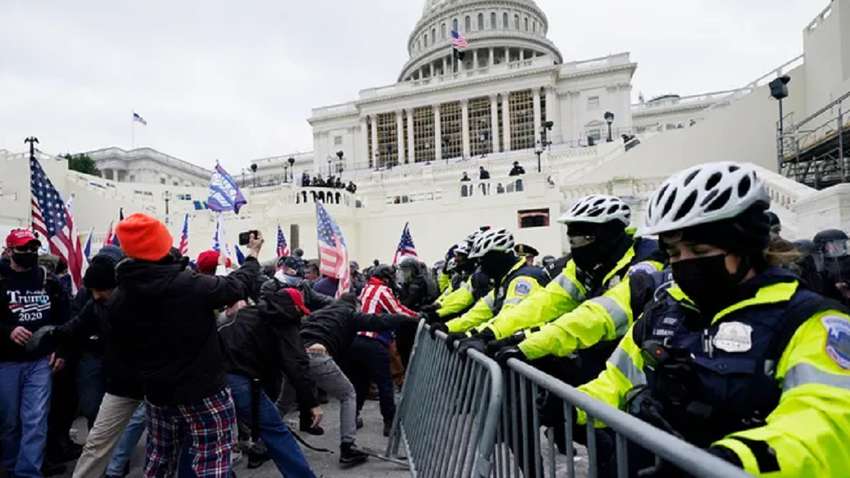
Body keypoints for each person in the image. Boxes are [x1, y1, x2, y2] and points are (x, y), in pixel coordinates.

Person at [575, 162, 850, 476]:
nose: (685, 263)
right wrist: (572, 407)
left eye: (700, 251)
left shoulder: (808, 321)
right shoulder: (665, 310)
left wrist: (731, 460)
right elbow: (617, 381)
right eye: (674, 254)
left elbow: (827, 423)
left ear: (744, 247)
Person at [108, 214, 263, 477]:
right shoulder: (190, 285)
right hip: (205, 392)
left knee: (159, 462)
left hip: (158, 395)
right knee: (212, 465)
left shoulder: (119, 298)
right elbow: (237, 286)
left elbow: (123, 350)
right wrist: (252, 255)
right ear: (163, 245)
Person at [299, 294, 415, 466]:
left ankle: (265, 439)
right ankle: (348, 447)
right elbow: (378, 321)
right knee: (348, 394)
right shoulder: (349, 314)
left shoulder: (317, 314)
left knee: (284, 401)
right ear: (354, 306)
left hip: (294, 355)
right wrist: (407, 318)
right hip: (316, 355)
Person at [62, 248, 146, 478]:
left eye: (102, 290)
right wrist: (55, 340)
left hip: (136, 373)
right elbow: (75, 324)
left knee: (142, 426)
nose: (97, 295)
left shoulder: (137, 296)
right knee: (95, 421)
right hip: (100, 363)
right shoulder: (91, 297)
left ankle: (116, 467)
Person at [218, 287, 318, 478]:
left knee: (211, 436)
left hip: (213, 376)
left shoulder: (247, 313)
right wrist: (312, 403)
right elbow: (296, 365)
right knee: (275, 431)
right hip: (241, 379)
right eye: (300, 310)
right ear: (293, 308)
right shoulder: (283, 322)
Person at [0, 229, 69, 478]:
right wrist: (8, 330)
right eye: (23, 249)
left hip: (41, 361)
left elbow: (65, 319)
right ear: (9, 251)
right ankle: (10, 467)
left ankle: (28, 472)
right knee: (9, 421)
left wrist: (61, 350)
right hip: (6, 362)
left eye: (33, 248)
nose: (29, 253)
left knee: (36, 419)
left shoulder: (48, 280)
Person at [430, 228, 548, 352]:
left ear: (496, 258)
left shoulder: (523, 280)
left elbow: (509, 319)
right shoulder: (505, 280)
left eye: (483, 261)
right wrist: (448, 327)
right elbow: (479, 312)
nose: (481, 268)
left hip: (539, 351)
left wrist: (476, 335)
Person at [351, 265, 417, 436]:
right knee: (385, 384)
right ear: (386, 278)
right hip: (375, 341)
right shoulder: (382, 290)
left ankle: (352, 418)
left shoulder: (366, 288)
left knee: (360, 383)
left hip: (357, 340)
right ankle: (389, 423)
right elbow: (398, 311)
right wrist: (418, 316)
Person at [814, 229, 850, 305]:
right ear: (822, 248)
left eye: (842, 244)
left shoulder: (847, 259)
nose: (839, 248)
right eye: (835, 245)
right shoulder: (820, 265)